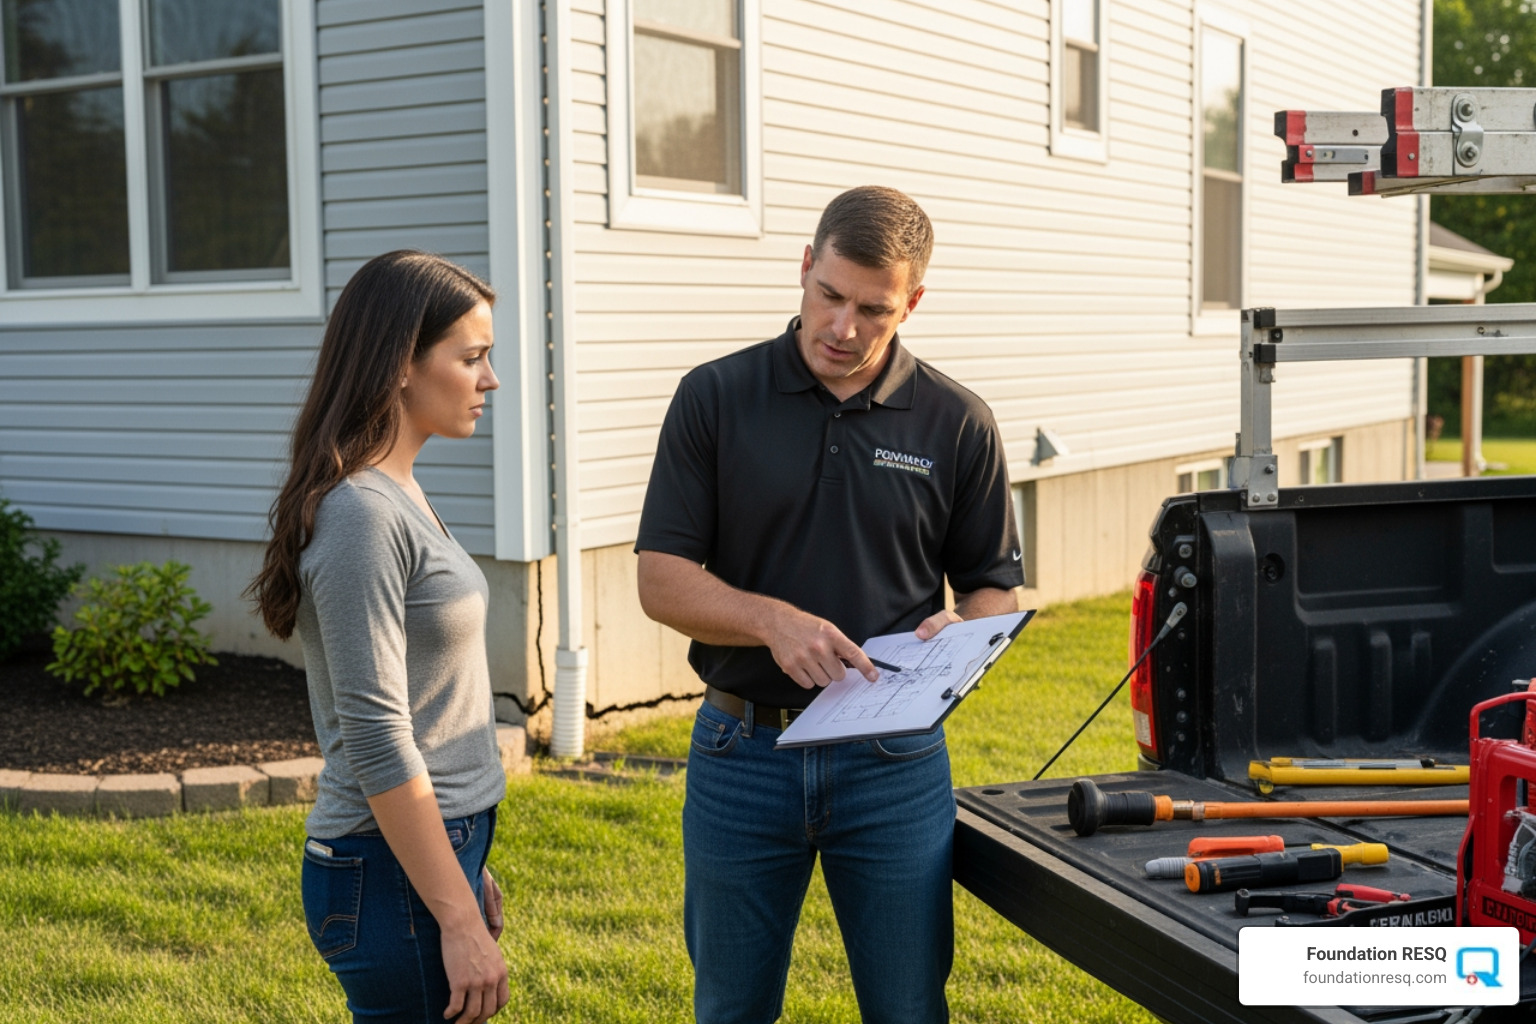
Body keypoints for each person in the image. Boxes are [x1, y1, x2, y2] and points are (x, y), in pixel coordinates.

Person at [635, 185, 1025, 1023]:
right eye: (829, 296)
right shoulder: (714, 397)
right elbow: (659, 577)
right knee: (730, 1010)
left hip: (893, 764)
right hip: (743, 754)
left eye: (874, 310)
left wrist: (966, 633)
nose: (842, 328)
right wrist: (771, 621)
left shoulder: (958, 423)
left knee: (908, 1008)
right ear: (804, 267)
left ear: (912, 303)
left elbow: (994, 587)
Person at [248, 250, 510, 1024]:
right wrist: (452, 911)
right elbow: (376, 733)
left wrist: (464, 872)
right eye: (471, 358)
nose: (488, 379)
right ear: (401, 363)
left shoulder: (396, 490)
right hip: (385, 868)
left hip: (422, 859)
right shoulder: (361, 512)